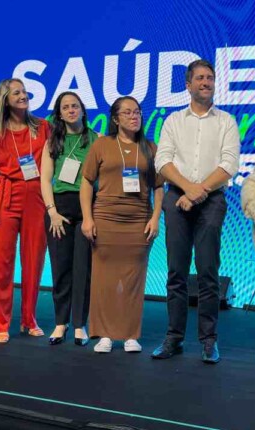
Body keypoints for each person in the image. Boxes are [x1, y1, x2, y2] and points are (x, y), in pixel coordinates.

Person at [150, 59, 240, 364]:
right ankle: (173, 338)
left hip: (212, 201)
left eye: (210, 78)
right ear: (188, 85)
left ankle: (208, 340)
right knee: (176, 272)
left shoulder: (226, 121)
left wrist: (198, 192)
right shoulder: (174, 121)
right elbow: (162, 162)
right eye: (200, 78)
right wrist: (188, 189)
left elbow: (229, 165)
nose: (206, 82)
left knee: (207, 272)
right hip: (176, 200)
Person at [79, 96, 164, 354]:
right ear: (115, 119)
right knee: (104, 280)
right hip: (105, 218)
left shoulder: (151, 148)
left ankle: (130, 335)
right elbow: (86, 183)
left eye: (137, 112)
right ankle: (105, 334)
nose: (134, 116)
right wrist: (87, 218)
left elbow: (159, 187)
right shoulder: (102, 145)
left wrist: (155, 218)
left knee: (133, 281)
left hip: (138, 220)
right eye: (127, 113)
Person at [0, 78, 49, 344]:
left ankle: (29, 320)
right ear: (5, 100)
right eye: (16, 93)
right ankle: (1, 323)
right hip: (5, 198)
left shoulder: (43, 127)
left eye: (24, 91)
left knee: (33, 262)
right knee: (1, 265)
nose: (23, 96)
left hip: (36, 198)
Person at [40, 91, 97, 346]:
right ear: (59, 113)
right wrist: (51, 211)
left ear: (83, 110)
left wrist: (91, 216)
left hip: (87, 207)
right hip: (58, 209)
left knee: (83, 269)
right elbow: (44, 179)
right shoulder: (53, 141)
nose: (71, 110)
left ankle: (79, 324)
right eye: (66, 107)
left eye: (75, 106)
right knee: (61, 268)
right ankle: (60, 323)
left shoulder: (96, 139)